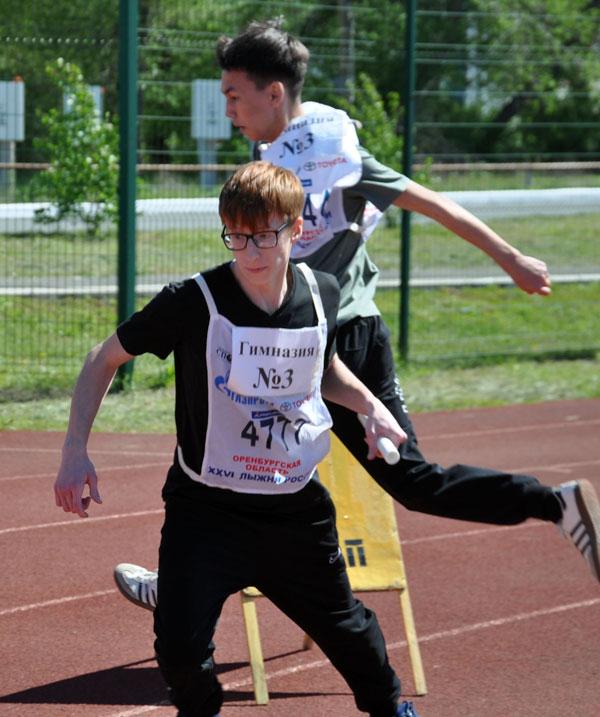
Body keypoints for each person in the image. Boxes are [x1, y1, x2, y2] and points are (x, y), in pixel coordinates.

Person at [113, 18, 600, 612]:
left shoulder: (336, 153)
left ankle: (555, 503)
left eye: (233, 95)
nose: (228, 110)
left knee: (401, 478)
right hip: (286, 336)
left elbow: (430, 201)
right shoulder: (270, 156)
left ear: (273, 93)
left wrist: (510, 257)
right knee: (225, 449)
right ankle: (184, 583)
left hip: (343, 338)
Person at [54, 161, 423, 717]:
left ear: (296, 229)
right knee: (178, 648)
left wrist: (369, 405)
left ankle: (391, 709)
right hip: (206, 512)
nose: (250, 251)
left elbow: (320, 367)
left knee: (350, 634)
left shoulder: (322, 294)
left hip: (294, 510)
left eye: (266, 235)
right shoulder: (193, 300)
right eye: (237, 236)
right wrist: (75, 449)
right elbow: (102, 358)